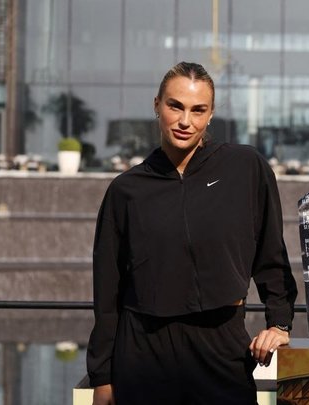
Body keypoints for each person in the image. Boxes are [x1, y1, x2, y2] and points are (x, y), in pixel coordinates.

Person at [87, 61, 298, 404]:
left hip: (221, 346)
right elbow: (107, 290)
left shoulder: (246, 168)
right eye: (176, 106)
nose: (186, 121)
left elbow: (270, 253)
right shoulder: (126, 190)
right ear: (157, 105)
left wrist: (280, 323)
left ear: (211, 114)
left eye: (198, 110)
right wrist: (103, 376)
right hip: (143, 353)